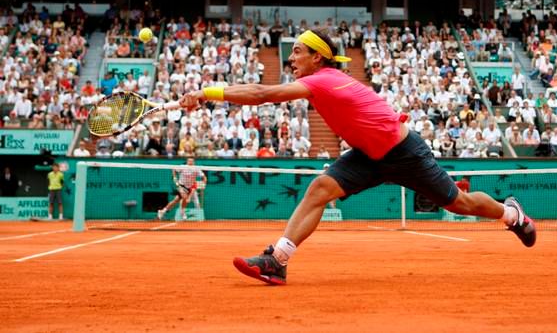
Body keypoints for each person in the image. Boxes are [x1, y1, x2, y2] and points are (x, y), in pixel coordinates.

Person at [179, 29, 536, 285]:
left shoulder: (323, 80)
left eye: (298, 52)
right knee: (320, 188)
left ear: (317, 57)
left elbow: (261, 93)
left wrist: (207, 93)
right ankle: (277, 260)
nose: (290, 59)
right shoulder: (321, 81)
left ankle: (511, 213)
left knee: (460, 203)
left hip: (404, 152)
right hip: (368, 155)